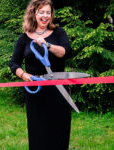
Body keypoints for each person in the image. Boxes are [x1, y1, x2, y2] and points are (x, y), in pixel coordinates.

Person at [9, 0, 73, 149]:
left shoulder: (59, 32)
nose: (45, 16)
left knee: (59, 133)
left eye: (48, 12)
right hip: (35, 92)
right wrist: (24, 75)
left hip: (58, 91)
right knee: (39, 135)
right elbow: (14, 64)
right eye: (41, 12)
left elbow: (66, 52)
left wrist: (48, 45)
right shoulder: (23, 38)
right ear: (34, 14)